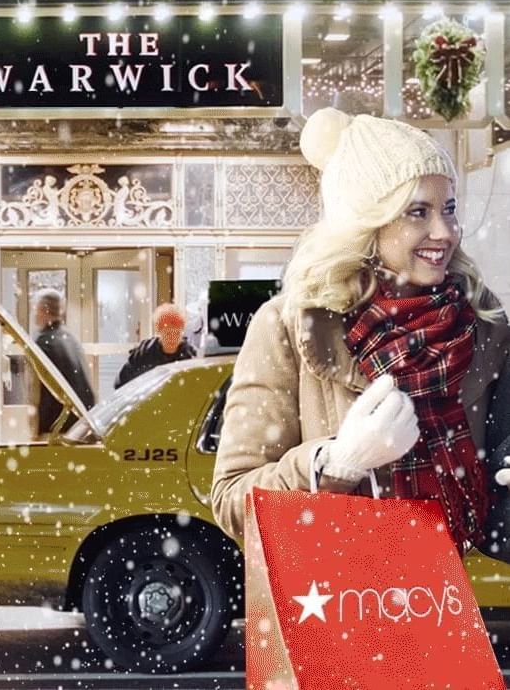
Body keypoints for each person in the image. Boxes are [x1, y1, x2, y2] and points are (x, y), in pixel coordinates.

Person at [212, 108, 510, 563]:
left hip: (442, 592)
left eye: (448, 209)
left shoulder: (482, 325)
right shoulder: (288, 326)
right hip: (335, 591)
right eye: (418, 212)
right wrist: (336, 464)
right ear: (367, 223)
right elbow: (233, 501)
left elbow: (494, 516)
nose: (444, 232)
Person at [34, 289, 95, 435]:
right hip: (80, 423)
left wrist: (41, 429)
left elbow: (47, 391)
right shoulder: (70, 338)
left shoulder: (45, 342)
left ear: (43, 310)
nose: (35, 314)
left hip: (59, 424)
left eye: (36, 309)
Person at [114, 303, 196, 389]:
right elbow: (121, 382)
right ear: (159, 331)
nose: (172, 338)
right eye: (168, 333)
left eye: (177, 333)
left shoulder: (189, 355)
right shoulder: (144, 352)